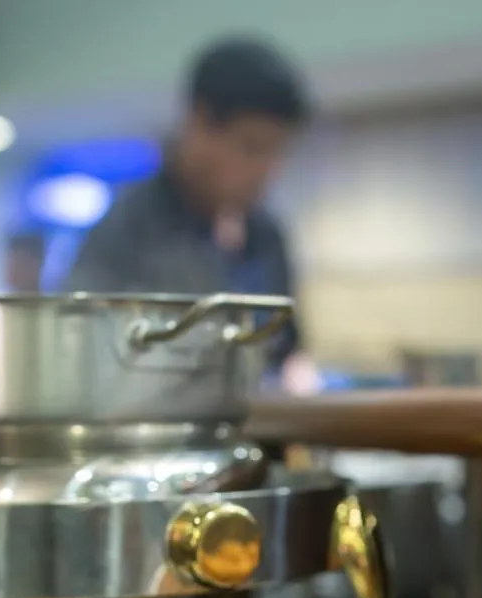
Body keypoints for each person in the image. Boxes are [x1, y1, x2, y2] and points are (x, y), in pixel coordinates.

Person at [64, 36, 311, 381]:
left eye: (278, 152)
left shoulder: (266, 235)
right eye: (252, 146)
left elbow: (287, 348)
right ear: (199, 123)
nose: (267, 170)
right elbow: (77, 346)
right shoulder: (128, 227)